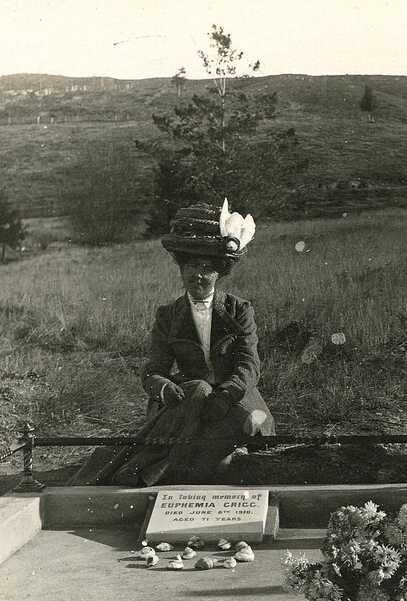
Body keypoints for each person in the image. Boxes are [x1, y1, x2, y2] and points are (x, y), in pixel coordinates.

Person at [69, 200, 275, 486]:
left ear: (219, 272)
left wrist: (227, 393)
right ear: (180, 268)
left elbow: (249, 364)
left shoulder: (239, 309)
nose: (198, 275)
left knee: (240, 424)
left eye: (206, 267)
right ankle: (189, 464)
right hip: (186, 402)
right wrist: (164, 389)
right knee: (200, 391)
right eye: (190, 265)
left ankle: (156, 469)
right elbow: (154, 369)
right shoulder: (169, 315)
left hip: (233, 400)